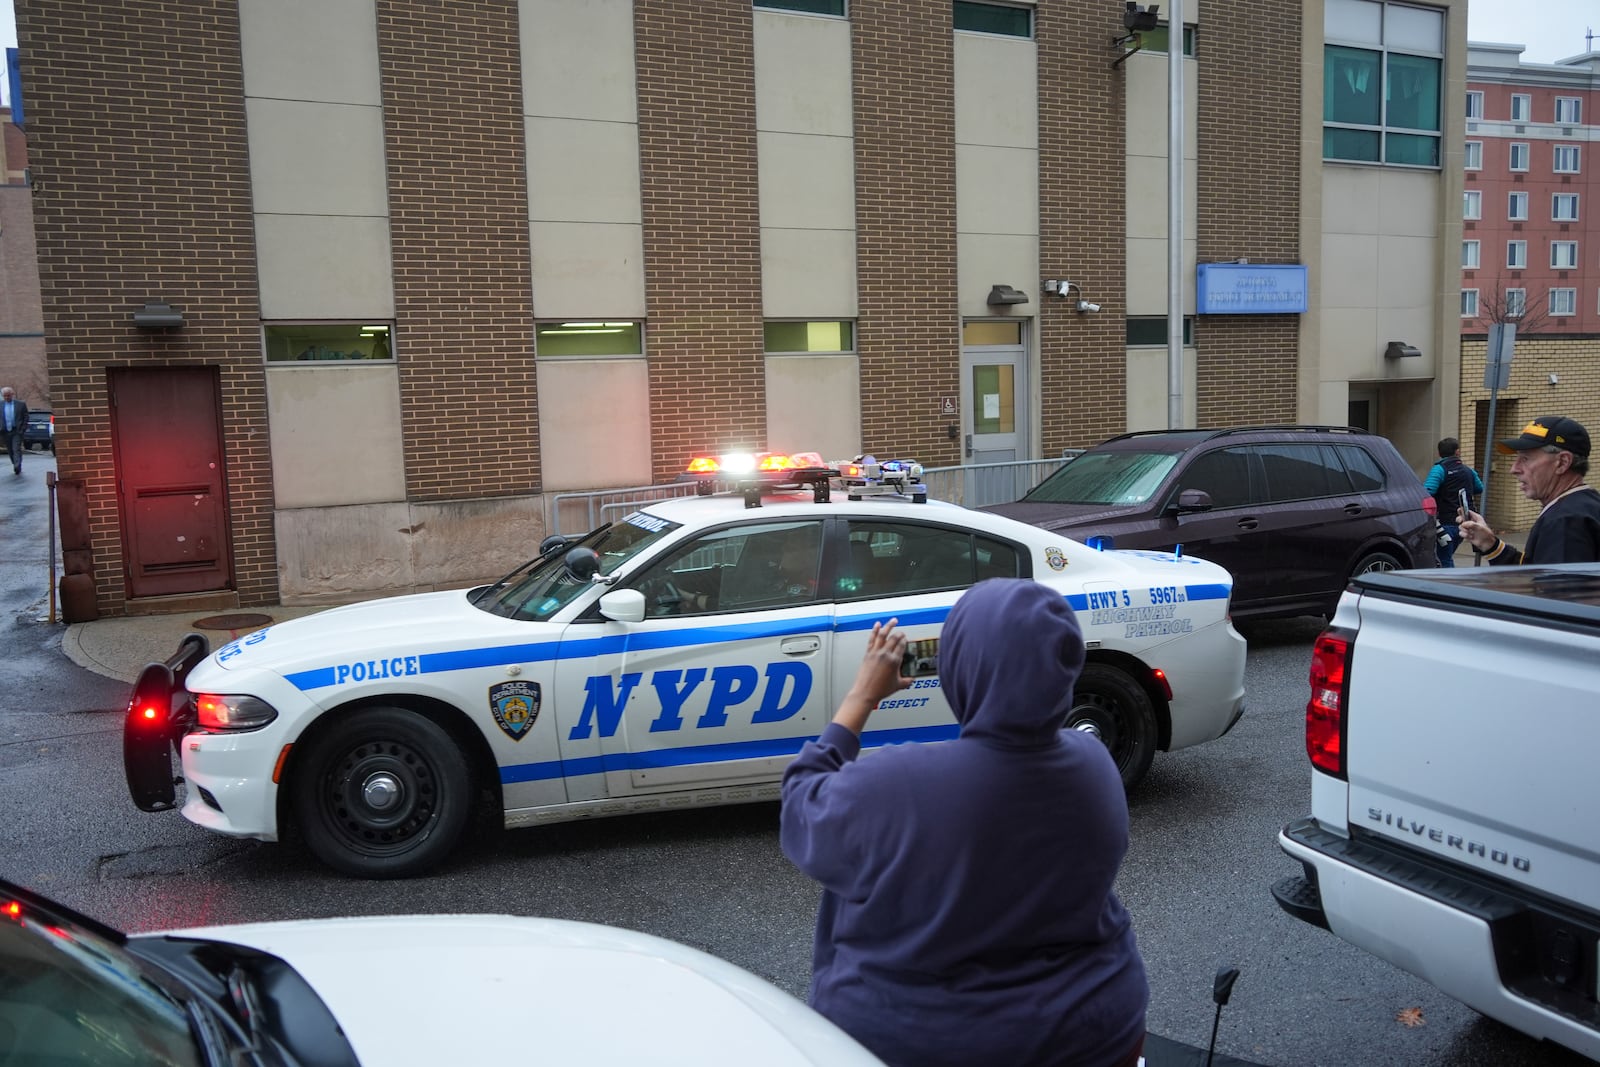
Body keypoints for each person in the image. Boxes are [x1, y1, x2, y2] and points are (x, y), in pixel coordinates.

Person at [779, 580, 1147, 1067]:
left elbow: (800, 810)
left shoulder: (899, 784)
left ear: (960, 669)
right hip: (1097, 1031)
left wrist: (862, 696)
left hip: (914, 1044)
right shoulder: (1093, 763)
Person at [1460, 416, 1600, 565]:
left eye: (1526, 459)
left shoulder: (1565, 520)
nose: (1514, 469)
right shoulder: (1584, 506)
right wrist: (1490, 544)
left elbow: (1552, 586)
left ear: (1563, 462)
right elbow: (1533, 571)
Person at [1424, 437, 1484, 567]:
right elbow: (1479, 488)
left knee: (1444, 559)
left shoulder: (1439, 469)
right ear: (1458, 452)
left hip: (1444, 524)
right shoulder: (1468, 470)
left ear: (1439, 453)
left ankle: (1449, 585)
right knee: (1445, 557)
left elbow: (1426, 493)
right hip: (1463, 523)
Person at [1, 387, 28, 476]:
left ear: (12, 395)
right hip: (5, 431)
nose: (7, 398)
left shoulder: (20, 404)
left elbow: (25, 416)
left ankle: (17, 465)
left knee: (16, 448)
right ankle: (15, 462)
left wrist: (23, 428)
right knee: (10, 449)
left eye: (8, 395)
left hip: (16, 430)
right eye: (5, 396)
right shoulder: (1, 405)